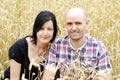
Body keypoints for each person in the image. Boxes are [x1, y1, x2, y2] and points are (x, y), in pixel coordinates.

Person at [42, 8, 113, 80]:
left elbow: (106, 77)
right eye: (69, 24)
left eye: (78, 23)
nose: (74, 28)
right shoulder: (57, 46)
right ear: (65, 25)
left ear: (87, 23)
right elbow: (47, 77)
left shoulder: (99, 48)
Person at [4, 10, 59, 80]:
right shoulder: (20, 47)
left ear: (54, 31)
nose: (45, 33)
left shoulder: (55, 51)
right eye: (41, 29)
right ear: (36, 29)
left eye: (49, 29)